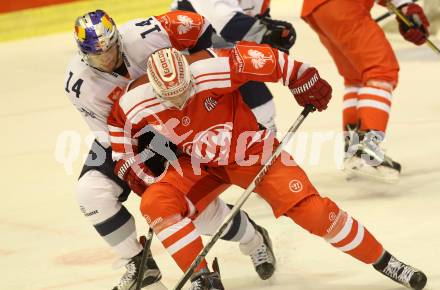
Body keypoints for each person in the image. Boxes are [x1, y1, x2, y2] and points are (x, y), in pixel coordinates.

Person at [108, 44, 427, 289]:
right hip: (198, 163)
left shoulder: (213, 67)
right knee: (155, 203)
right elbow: (119, 124)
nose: (179, 102)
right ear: (154, 86)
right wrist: (126, 163)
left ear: (190, 75)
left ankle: (385, 261)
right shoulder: (136, 99)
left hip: (253, 151)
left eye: (184, 93)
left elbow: (269, 59)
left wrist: (301, 76)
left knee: (316, 213)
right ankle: (203, 280)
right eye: (170, 97)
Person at [65, 10, 275, 290]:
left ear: (117, 38)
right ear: (82, 54)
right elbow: (111, 136)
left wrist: (205, 70)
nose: (106, 59)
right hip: (133, 135)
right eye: (96, 56)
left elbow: (196, 25)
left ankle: (253, 238)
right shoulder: (79, 85)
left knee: (198, 215)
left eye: (110, 49)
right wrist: (140, 175)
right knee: (90, 192)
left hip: (186, 117)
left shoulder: (144, 34)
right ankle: (140, 265)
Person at [300, 0, 430, 182]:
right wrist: (406, 6)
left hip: (317, 9)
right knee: (381, 70)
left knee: (356, 76)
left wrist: (405, 9)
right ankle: (367, 146)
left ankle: (354, 150)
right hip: (344, 6)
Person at [172, 0, 297, 132]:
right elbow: (229, 24)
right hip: (190, 53)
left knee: (261, 106)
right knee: (203, 119)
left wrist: (274, 37)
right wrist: (267, 34)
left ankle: (262, 144)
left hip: (222, 49)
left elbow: (257, 18)